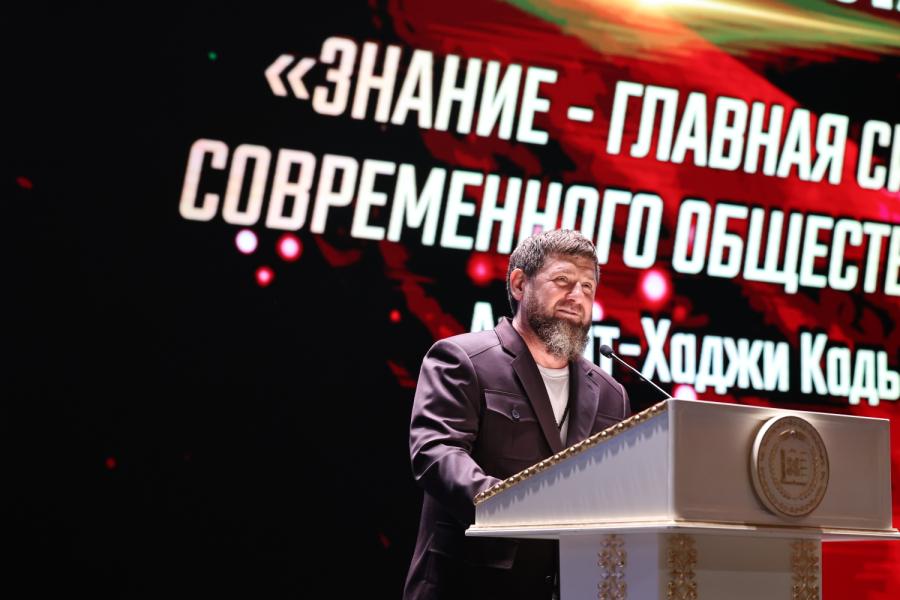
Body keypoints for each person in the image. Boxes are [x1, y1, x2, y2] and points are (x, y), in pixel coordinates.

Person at [403, 229, 631, 600]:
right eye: (563, 281)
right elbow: (437, 454)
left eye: (588, 287)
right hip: (469, 584)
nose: (577, 296)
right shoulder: (463, 360)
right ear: (520, 284)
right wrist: (521, 508)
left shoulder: (610, 394)